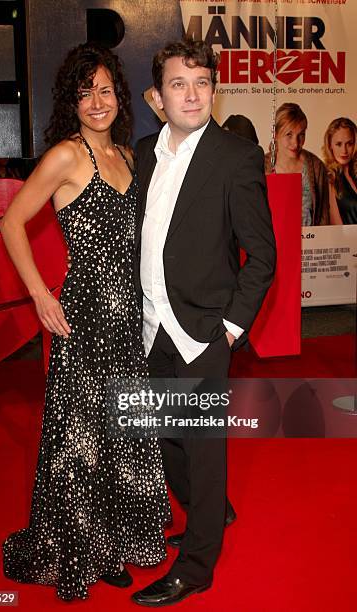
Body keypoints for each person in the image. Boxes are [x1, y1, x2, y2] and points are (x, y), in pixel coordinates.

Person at [0, 43, 170, 601]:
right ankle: (88, 547)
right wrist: (39, 296)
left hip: (129, 320)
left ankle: (121, 538)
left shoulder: (126, 152)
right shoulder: (67, 157)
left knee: (124, 434)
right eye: (83, 92)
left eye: (104, 90)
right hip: (85, 319)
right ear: (70, 102)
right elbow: (11, 222)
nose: (96, 102)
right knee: (84, 443)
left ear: (120, 96)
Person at [131, 39, 276, 607]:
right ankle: (209, 512)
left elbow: (261, 257)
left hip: (203, 331)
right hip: (149, 326)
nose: (191, 95)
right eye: (177, 84)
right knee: (163, 439)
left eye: (201, 83)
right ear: (158, 96)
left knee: (202, 446)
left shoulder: (235, 157)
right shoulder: (144, 152)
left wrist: (233, 329)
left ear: (214, 88)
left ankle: (196, 565)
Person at [265, 102, 330, 226]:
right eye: (289, 135)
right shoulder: (260, 166)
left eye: (301, 135)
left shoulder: (317, 167)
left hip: (310, 243)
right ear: (275, 134)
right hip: (272, 244)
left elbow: (323, 217)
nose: (295, 143)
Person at [322, 117, 357, 225]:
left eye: (349, 144)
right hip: (347, 241)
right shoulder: (329, 178)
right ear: (330, 145)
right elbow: (337, 226)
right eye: (338, 144)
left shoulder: (354, 174)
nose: (344, 150)